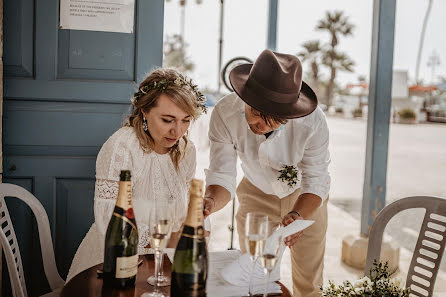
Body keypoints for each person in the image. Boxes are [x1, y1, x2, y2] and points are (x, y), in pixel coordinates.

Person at [203, 49, 330, 297]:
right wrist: (209, 202)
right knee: (250, 279)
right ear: (246, 97)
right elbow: (222, 175)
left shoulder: (313, 122)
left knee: (309, 283)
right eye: (256, 113)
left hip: (303, 196)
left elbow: (316, 179)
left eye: (274, 121)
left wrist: (298, 214)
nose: (262, 126)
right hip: (255, 191)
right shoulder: (224, 113)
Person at [67, 68, 206, 281]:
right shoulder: (122, 147)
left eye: (186, 120)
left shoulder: (187, 150)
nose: (177, 132)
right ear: (144, 111)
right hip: (115, 263)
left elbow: (182, 211)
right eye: (167, 120)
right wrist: (165, 241)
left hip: (165, 264)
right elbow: (109, 223)